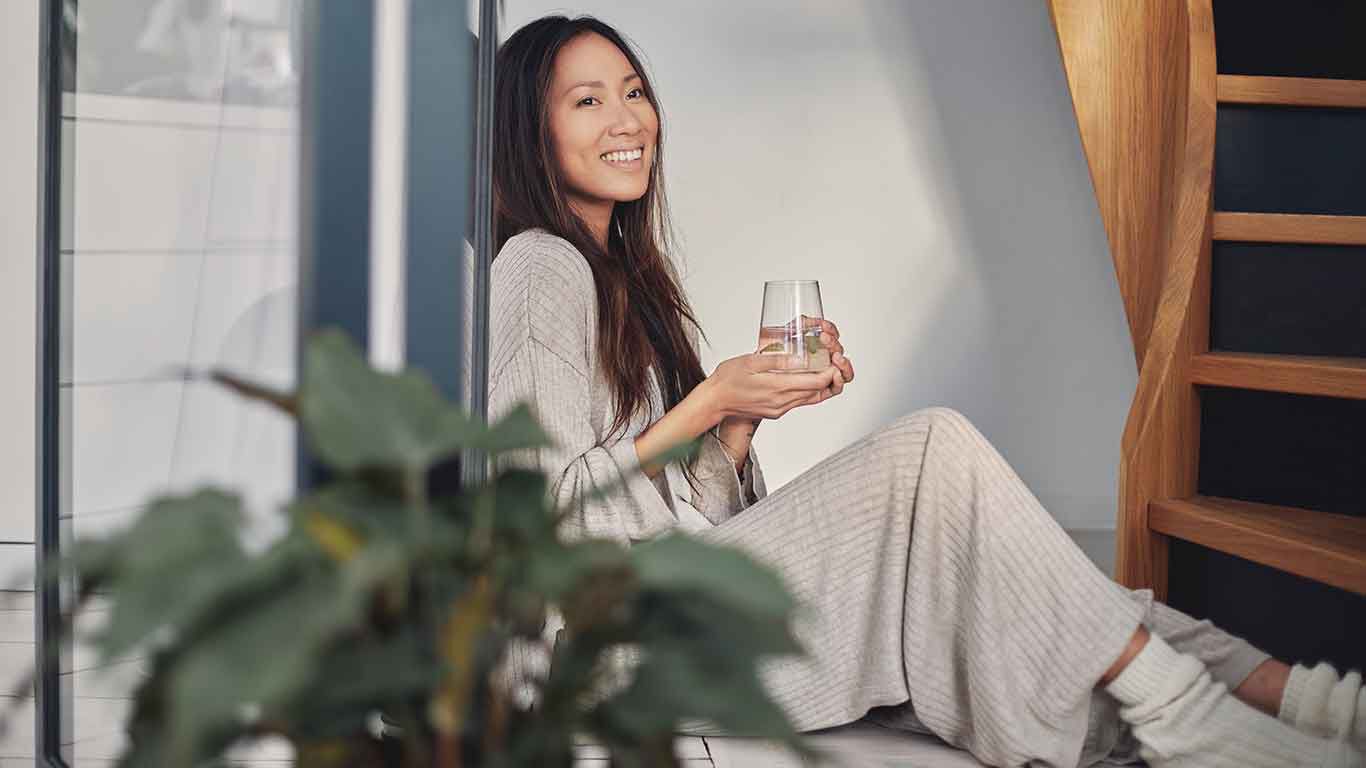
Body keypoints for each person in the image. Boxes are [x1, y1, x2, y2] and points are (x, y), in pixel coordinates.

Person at [487, 14, 1365, 768]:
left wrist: (740, 423)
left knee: (1035, 585)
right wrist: (710, 401)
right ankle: (1193, 717)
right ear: (534, 132)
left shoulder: (625, 281)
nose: (627, 118)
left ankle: (1304, 707)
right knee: (932, 452)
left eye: (633, 89)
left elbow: (685, 508)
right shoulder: (540, 265)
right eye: (587, 99)